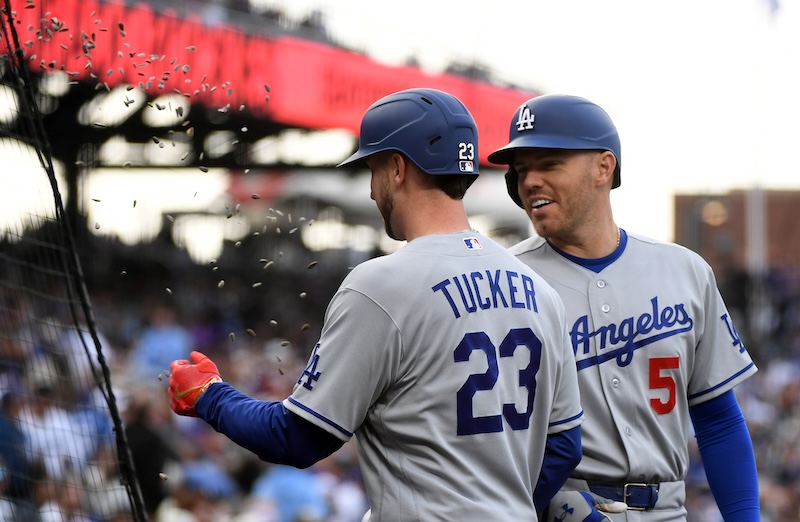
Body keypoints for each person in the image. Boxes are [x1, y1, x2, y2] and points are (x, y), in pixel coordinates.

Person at [166, 87, 585, 521]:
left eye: (373, 169)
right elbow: (564, 447)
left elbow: (296, 437)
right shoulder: (540, 290)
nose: (371, 190)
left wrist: (210, 396)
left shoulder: (380, 284)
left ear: (397, 168)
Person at [487, 94, 761, 521]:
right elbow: (485, 440)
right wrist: (541, 504)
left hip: (668, 510)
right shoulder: (503, 283)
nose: (530, 181)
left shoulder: (684, 271)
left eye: (549, 164)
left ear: (603, 167)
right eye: (521, 171)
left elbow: (718, 421)